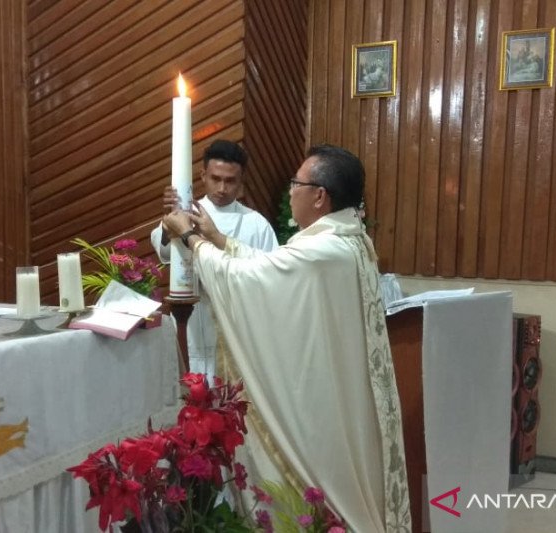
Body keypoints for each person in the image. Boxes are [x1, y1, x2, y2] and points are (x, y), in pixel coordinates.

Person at [162, 144, 411, 532]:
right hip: (338, 382)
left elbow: (246, 280)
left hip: (321, 396)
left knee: (320, 482)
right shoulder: (347, 238)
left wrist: (193, 239)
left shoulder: (325, 248)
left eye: (296, 183)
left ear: (319, 196)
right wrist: (216, 238)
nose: (290, 190)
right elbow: (267, 266)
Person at [150, 140, 278, 380]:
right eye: (215, 178)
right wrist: (169, 223)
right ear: (202, 175)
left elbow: (270, 277)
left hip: (239, 327)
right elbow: (165, 253)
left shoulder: (256, 224)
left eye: (230, 181)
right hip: (194, 319)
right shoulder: (185, 213)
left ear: (241, 183)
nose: (222, 188)